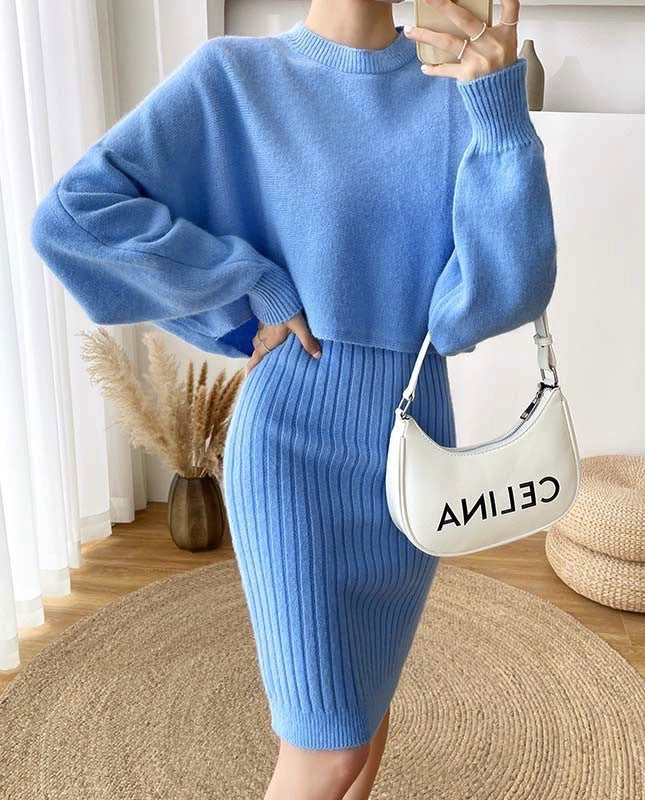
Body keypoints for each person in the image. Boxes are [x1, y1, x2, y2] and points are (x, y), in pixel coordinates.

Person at [29, 0, 557, 797]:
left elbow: (486, 304)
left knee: (366, 717)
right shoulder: (236, 77)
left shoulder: (458, 88)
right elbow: (74, 217)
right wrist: (251, 285)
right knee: (325, 749)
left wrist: (499, 109)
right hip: (291, 448)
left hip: (411, 449)